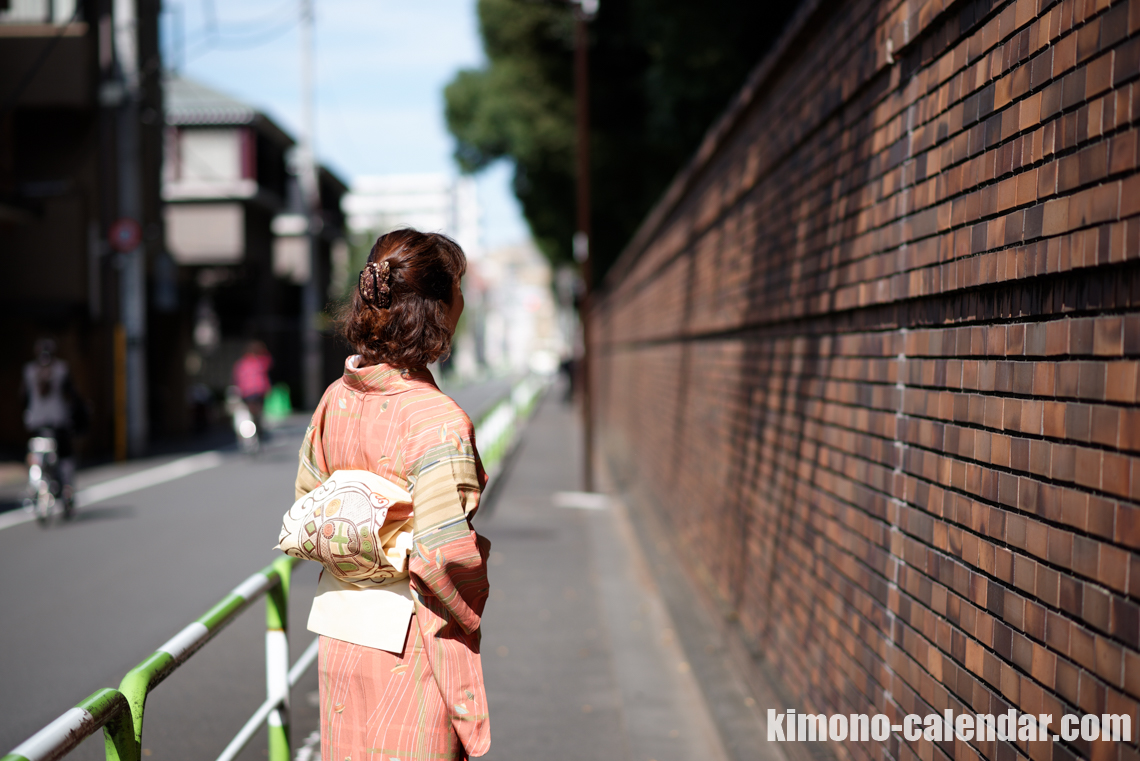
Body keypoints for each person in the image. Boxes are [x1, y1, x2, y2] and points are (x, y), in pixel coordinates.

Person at [295, 229, 491, 760]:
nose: (463, 301)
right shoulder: (437, 420)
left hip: (341, 628)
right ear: (437, 309)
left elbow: (308, 507)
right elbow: (443, 555)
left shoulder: (335, 399)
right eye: (456, 289)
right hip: (409, 641)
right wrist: (470, 579)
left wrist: (362, 547)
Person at [21, 339, 78, 512]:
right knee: (65, 456)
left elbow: (22, 397)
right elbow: (72, 395)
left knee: (33, 453)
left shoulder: (29, 371)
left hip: (35, 423)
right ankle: (67, 490)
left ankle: (33, 485)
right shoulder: (61, 369)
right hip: (58, 423)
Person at [232, 340, 272, 429]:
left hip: (248, 391)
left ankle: (254, 426)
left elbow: (238, 377)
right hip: (258, 390)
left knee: (252, 410)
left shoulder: (242, 363)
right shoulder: (259, 362)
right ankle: (256, 426)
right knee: (257, 410)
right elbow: (269, 361)